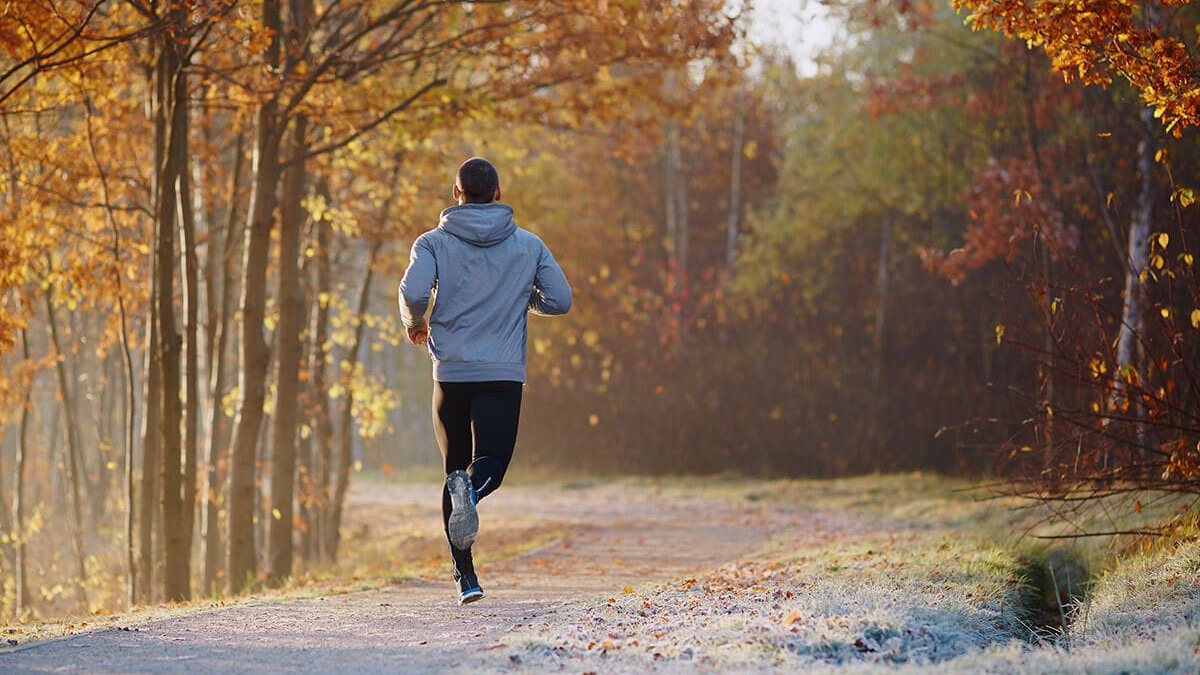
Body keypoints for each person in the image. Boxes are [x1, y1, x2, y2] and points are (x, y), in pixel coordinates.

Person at [399, 157, 572, 604]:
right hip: (501, 372)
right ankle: (471, 493)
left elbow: (414, 292)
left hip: (451, 372)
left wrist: (415, 323)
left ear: (456, 195)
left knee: (454, 467)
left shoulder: (432, 242)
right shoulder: (529, 245)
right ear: (497, 193)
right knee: (490, 461)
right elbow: (560, 299)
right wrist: (522, 297)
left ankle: (466, 577)